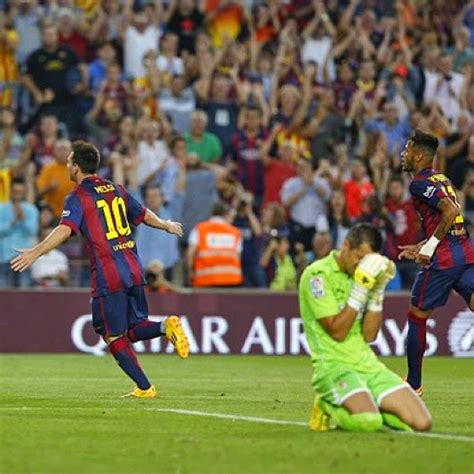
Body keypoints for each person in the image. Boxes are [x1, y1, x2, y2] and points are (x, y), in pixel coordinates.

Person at [10, 140, 189, 399]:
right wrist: (165, 224)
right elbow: (142, 213)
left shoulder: (79, 197)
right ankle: (165, 327)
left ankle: (145, 387)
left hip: (109, 272)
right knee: (133, 327)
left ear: (77, 167)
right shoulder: (116, 189)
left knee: (112, 335)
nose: (68, 166)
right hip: (132, 266)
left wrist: (35, 252)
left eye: (70, 162)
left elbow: (64, 229)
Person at [299, 223, 432, 433]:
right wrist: (360, 290)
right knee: (368, 422)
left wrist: (377, 291)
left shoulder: (365, 275)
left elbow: (370, 335)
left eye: (367, 260)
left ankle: (367, 403)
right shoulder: (317, 275)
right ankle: (326, 404)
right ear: (346, 246)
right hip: (335, 368)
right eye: (358, 257)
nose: (361, 264)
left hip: (368, 366)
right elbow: (338, 331)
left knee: (422, 423)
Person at [398, 130, 474, 395]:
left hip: (443, 260)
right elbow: (448, 220)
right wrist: (420, 246)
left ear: (418, 155)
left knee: (417, 315)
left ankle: (414, 385)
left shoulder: (418, 183)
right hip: (465, 251)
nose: (403, 155)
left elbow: (451, 211)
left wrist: (429, 247)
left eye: (407, 150)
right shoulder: (441, 178)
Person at [187, 201, 242, 287]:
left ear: (212, 213)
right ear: (226, 214)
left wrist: (190, 271)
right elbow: (238, 257)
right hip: (231, 281)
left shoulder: (199, 229)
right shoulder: (235, 232)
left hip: (206, 280)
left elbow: (190, 254)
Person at [0, 178, 38, 288]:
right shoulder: (1, 209)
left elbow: (33, 231)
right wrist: (11, 223)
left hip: (24, 257)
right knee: (3, 294)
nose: (17, 195)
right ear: (10, 191)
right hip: (4, 256)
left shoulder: (31, 209)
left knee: (23, 293)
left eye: (20, 192)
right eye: (15, 191)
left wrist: (22, 220)